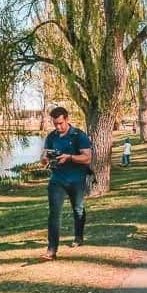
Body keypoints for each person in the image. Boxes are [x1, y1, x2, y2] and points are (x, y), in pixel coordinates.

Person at [40, 106, 94, 260]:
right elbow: (44, 157)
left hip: (77, 180)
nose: (58, 127)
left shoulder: (79, 135)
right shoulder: (51, 137)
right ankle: (51, 250)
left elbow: (87, 158)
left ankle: (78, 236)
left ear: (67, 119)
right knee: (54, 214)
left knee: (78, 209)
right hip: (57, 180)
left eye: (60, 123)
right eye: (55, 124)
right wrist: (44, 160)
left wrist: (69, 157)